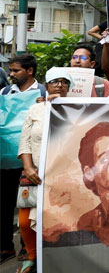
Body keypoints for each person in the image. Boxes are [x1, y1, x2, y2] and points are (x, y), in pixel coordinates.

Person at [16, 68, 72, 273]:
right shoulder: (35, 110)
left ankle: (54, 258)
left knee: (58, 220)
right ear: (46, 85)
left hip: (62, 175)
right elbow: (25, 141)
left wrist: (60, 106)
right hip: (35, 173)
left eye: (64, 82)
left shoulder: (76, 108)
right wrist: (28, 167)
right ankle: (31, 255)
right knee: (24, 221)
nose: (59, 85)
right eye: (54, 81)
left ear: (69, 87)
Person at [0, 55, 45, 264]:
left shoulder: (44, 93)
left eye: (15, 70)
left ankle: (29, 249)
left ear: (30, 71)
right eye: (10, 70)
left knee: (30, 206)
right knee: (5, 204)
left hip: (34, 160)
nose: (10, 75)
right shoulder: (5, 92)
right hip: (8, 158)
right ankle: (6, 246)